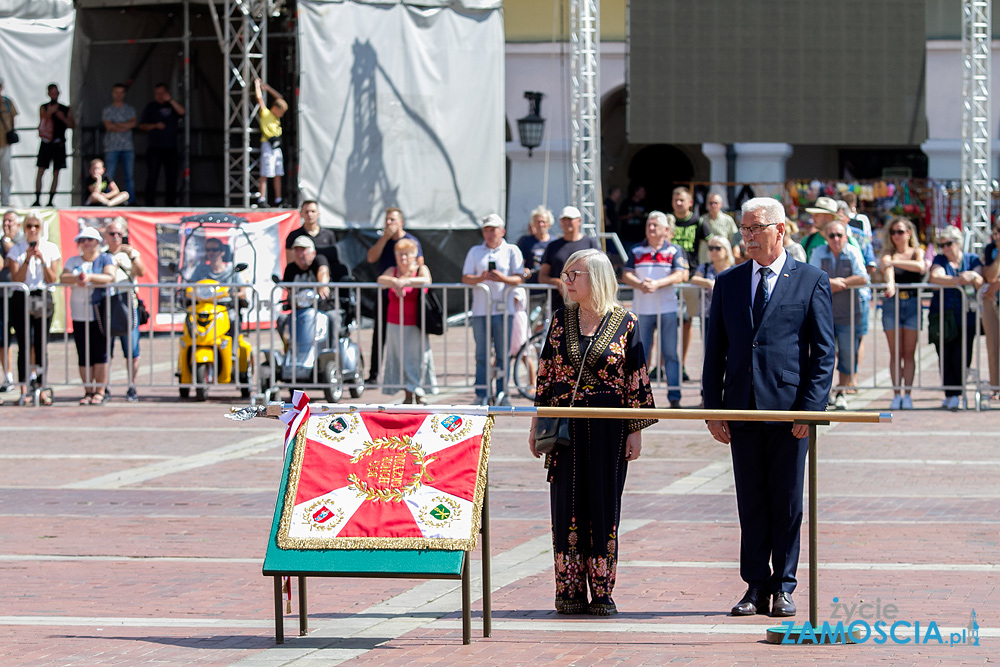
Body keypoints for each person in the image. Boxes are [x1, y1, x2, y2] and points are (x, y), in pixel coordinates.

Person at [703, 197, 835, 619]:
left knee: (787, 501)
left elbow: (824, 352)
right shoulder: (729, 282)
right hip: (742, 408)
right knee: (751, 501)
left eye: (756, 228)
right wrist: (714, 408)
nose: (748, 237)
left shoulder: (810, 279)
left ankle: (785, 586)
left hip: (789, 410)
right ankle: (755, 585)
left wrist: (809, 411)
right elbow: (714, 353)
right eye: (744, 229)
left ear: (781, 230)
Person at [528, 248, 656, 616]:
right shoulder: (560, 319)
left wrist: (636, 429)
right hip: (564, 427)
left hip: (608, 430)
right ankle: (567, 590)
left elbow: (637, 377)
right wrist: (537, 423)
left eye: (574, 275)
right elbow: (546, 372)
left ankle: (601, 591)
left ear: (596, 279)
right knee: (565, 504)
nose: (566, 281)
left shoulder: (625, 321)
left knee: (603, 505)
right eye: (566, 275)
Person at [620, 211, 689, 408]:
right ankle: (638, 395)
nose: (650, 228)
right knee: (640, 354)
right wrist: (641, 284)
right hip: (642, 310)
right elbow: (626, 274)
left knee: (670, 353)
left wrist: (657, 284)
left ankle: (674, 396)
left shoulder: (674, 250)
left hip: (667, 308)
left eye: (655, 225)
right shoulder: (636, 250)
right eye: (648, 225)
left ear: (665, 230)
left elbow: (681, 274)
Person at [461, 214, 524, 405]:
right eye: (486, 230)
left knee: (503, 353)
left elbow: (519, 277)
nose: (489, 234)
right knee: (481, 353)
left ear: (502, 231)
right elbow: (465, 277)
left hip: (504, 311)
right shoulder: (474, 251)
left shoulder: (512, 250)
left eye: (493, 229)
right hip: (481, 310)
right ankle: (482, 392)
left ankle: (502, 392)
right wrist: (480, 278)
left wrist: (502, 278)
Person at [809, 219, 869, 410]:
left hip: (849, 313)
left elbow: (862, 276)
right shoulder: (819, 252)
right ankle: (823, 394)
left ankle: (842, 391)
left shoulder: (852, 252)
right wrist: (831, 283)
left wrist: (840, 282)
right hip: (823, 316)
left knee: (847, 354)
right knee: (823, 355)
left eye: (839, 235)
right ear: (826, 237)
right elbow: (811, 277)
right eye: (832, 235)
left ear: (845, 237)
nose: (836, 239)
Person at [5, 213, 62, 405]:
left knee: (40, 343)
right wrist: (28, 259)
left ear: (41, 227)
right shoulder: (16, 250)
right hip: (22, 297)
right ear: (24, 228)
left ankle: (41, 386)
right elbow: (17, 278)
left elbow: (52, 277)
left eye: (36, 226)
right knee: (24, 343)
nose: (32, 230)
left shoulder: (50, 248)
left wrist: (42, 259)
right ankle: (24, 388)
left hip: (42, 296)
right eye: (29, 226)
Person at [928, 225, 983, 410]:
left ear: (958, 243)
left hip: (966, 317)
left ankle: (957, 392)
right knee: (944, 355)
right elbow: (935, 277)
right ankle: (950, 393)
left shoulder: (972, 259)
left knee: (962, 356)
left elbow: (980, 281)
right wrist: (959, 281)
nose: (945, 248)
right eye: (941, 244)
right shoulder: (940, 259)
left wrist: (973, 276)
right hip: (942, 316)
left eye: (948, 244)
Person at [365, 207, 423, 383]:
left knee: (409, 337)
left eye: (392, 220)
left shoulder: (411, 241)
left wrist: (405, 280)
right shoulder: (384, 242)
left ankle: (411, 377)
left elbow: (420, 264)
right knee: (380, 333)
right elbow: (371, 258)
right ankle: (374, 374)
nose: (389, 223)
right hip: (387, 294)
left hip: (407, 297)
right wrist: (384, 238)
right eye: (387, 220)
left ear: (401, 222)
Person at [60, 227, 117, 404]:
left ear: (97, 242)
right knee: (83, 353)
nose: (86, 243)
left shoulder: (106, 258)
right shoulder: (73, 260)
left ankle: (100, 390)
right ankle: (87, 390)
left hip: (101, 313)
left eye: (90, 240)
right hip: (79, 314)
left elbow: (110, 276)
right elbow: (63, 277)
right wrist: (77, 278)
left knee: (101, 353)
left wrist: (90, 277)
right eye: (82, 240)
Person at [378, 238, 435, 404]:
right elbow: (381, 280)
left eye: (407, 255)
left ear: (414, 256)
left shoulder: (420, 269)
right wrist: (395, 281)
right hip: (394, 322)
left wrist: (407, 281)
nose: (403, 259)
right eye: (400, 255)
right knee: (398, 358)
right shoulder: (392, 270)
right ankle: (407, 393)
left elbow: (427, 280)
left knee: (418, 358)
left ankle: (418, 390)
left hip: (415, 323)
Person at [879, 217, 927, 410]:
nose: (896, 235)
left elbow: (921, 267)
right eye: (893, 232)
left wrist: (896, 261)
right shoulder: (887, 253)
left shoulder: (917, 251)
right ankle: (896, 394)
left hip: (913, 303)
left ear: (909, 233)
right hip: (892, 303)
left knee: (909, 353)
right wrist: (891, 279)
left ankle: (907, 394)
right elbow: (886, 267)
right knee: (895, 353)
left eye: (900, 231)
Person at [103, 218, 145, 402]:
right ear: (106, 236)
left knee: (132, 349)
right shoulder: (102, 255)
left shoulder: (130, 253)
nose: (116, 237)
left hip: (129, 306)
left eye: (120, 234)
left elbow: (141, 271)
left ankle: (132, 386)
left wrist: (133, 255)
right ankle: (105, 387)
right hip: (108, 306)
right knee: (106, 350)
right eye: (112, 234)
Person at [668, 187, 703, 383]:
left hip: (690, 278)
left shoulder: (698, 222)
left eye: (681, 200)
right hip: (670, 277)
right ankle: (664, 364)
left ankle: (681, 363)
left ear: (690, 202)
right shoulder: (668, 222)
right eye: (675, 199)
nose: (678, 203)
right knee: (667, 322)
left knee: (688, 322)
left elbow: (710, 242)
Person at [538, 206, 601, 312]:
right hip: (559, 307)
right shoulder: (553, 246)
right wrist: (557, 282)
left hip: (587, 306)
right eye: (564, 220)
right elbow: (542, 276)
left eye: (570, 219)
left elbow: (600, 273)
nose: (566, 223)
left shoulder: (590, 243)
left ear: (579, 221)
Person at [138, 83, 185, 206]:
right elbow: (141, 125)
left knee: (172, 177)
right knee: (152, 176)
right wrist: (155, 125)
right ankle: (149, 204)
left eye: (161, 93)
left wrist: (170, 100)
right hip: (155, 148)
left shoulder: (172, 106)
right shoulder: (151, 107)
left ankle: (170, 204)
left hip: (171, 147)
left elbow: (182, 112)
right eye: (156, 94)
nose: (159, 96)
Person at [689, 235, 736, 346]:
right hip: (708, 315)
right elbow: (694, 279)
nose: (713, 251)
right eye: (710, 248)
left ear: (726, 250)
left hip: (729, 315)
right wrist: (709, 282)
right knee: (709, 348)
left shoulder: (734, 269)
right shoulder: (704, 267)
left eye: (717, 248)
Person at [33, 84, 75, 207]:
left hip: (59, 144)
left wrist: (63, 118)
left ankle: (51, 200)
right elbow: (42, 120)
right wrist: (49, 113)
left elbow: (72, 125)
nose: (54, 95)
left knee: (56, 172)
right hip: (46, 143)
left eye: (56, 92)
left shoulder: (65, 109)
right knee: (41, 170)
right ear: (48, 93)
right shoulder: (44, 107)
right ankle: (37, 198)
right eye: (52, 92)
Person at [285, 200, 348, 281]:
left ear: (318, 214)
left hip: (325, 276)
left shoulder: (328, 234)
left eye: (313, 211)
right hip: (302, 279)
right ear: (301, 214)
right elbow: (290, 261)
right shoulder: (294, 235)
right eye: (307, 212)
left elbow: (333, 258)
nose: (310, 214)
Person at [254, 78, 287, 207]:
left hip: (276, 145)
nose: (282, 115)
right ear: (275, 108)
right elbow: (259, 99)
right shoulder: (266, 113)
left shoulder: (276, 117)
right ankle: (262, 198)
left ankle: (278, 199)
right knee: (266, 172)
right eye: (281, 112)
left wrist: (268, 88)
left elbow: (280, 97)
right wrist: (257, 85)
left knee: (278, 172)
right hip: (268, 143)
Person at [101, 83, 137, 204]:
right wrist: (124, 125)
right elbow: (108, 126)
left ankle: (131, 201)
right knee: (108, 175)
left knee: (129, 175)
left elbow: (133, 124)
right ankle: (105, 200)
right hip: (111, 147)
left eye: (121, 92)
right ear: (112, 93)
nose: (118, 95)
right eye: (116, 92)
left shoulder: (130, 109)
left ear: (124, 94)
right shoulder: (108, 109)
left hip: (127, 146)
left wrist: (116, 125)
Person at [1, 209, 22, 391]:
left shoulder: (23, 243)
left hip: (18, 296)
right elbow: (2, 264)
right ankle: (8, 377)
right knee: (3, 339)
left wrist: (7, 243)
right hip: (2, 297)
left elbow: (16, 261)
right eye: (4, 222)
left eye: (10, 222)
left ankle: (29, 377)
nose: (7, 225)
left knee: (26, 339)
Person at [982, 224, 1000, 401]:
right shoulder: (991, 249)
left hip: (994, 293)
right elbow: (990, 276)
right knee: (993, 345)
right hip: (993, 302)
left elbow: (994, 281)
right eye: (997, 232)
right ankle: (996, 387)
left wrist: (997, 284)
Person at [697, 193, 739, 265]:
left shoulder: (727, 220)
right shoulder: (701, 219)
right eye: (711, 203)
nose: (713, 205)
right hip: (705, 260)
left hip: (723, 260)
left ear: (721, 204)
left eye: (716, 203)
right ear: (707, 204)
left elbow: (734, 239)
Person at [516, 206, 553, 282]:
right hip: (531, 287)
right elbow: (518, 264)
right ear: (533, 224)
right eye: (538, 222)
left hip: (550, 288)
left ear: (549, 224)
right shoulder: (525, 241)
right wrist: (523, 270)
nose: (541, 224)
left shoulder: (555, 242)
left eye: (543, 222)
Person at [0, 77, 18, 206]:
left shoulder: (7, 102)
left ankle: (5, 201)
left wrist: (11, 133)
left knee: (6, 173)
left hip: (5, 143)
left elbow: (13, 118)